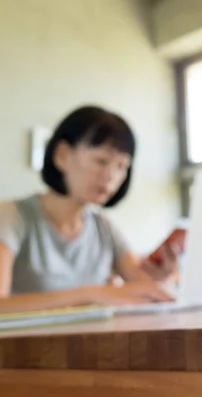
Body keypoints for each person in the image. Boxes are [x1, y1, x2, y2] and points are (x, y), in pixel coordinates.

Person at [0, 106, 178, 314]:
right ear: (62, 155)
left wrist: (161, 276)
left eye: (121, 166)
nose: (111, 175)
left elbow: (143, 287)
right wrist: (91, 295)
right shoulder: (11, 215)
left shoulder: (103, 226)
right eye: (101, 161)